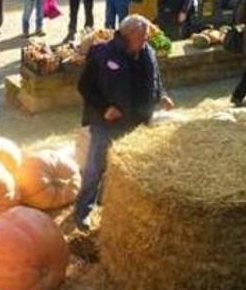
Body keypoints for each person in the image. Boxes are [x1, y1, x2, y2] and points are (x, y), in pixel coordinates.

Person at [74, 15, 174, 231]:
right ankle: (84, 210)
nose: (147, 41)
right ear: (129, 36)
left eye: (147, 37)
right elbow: (85, 87)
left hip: (137, 121)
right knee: (94, 167)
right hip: (107, 122)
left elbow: (155, 79)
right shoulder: (102, 53)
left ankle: (119, 207)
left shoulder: (148, 52)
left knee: (130, 168)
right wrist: (103, 108)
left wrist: (162, 96)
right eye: (143, 37)